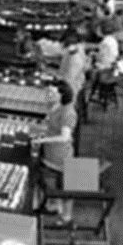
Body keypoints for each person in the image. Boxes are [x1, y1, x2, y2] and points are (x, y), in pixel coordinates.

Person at [32, 80, 78, 223]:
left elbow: (65, 137)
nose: (48, 94)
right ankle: (53, 206)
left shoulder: (68, 112)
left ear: (62, 95)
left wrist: (42, 140)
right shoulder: (55, 107)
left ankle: (66, 217)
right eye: (48, 91)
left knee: (65, 189)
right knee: (51, 182)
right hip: (50, 154)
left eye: (52, 92)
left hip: (60, 157)